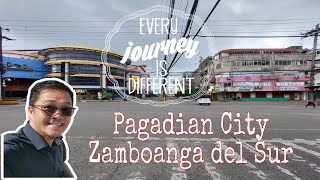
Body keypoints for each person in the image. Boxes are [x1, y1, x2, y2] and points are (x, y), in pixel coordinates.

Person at [1, 78, 78, 178]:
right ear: (30, 111)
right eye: (48, 108)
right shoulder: (9, 154)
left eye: (66, 109)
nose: (58, 116)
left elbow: (61, 165)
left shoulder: (58, 141)